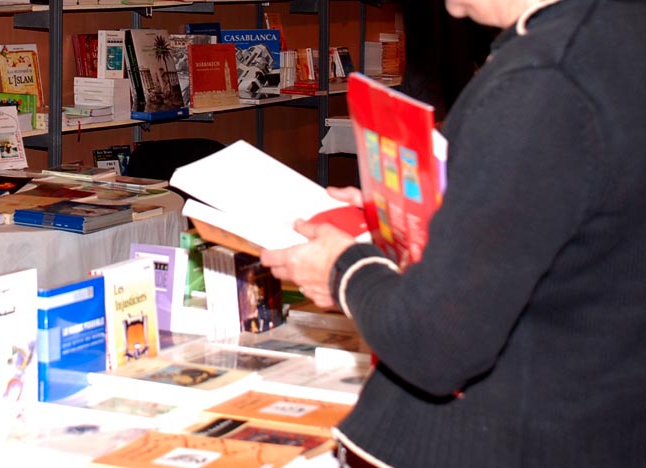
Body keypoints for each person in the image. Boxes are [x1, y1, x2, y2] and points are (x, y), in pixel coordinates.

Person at [260, 0, 646, 466]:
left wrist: (343, 269)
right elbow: (570, 215)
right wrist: (422, 213)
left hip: (514, 436)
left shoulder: (543, 80)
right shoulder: (616, 33)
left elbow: (435, 344)